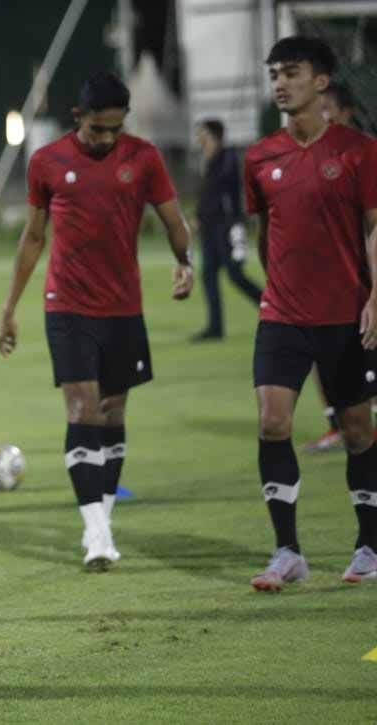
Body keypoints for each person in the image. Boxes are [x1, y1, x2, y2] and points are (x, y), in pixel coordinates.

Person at [0, 71, 194, 571]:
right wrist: (10, 306)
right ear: (78, 117)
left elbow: (173, 219)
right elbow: (34, 237)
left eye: (116, 129)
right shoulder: (47, 162)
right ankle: (97, 532)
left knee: (112, 411)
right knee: (81, 407)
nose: (108, 140)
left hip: (123, 307)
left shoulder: (144, 158)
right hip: (67, 304)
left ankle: (102, 517)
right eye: (98, 130)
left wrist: (184, 262)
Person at [241, 37, 377, 591]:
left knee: (356, 429)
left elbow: (375, 228)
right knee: (272, 422)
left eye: (291, 72)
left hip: (347, 314)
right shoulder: (259, 156)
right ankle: (287, 552)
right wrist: (279, 288)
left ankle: (368, 544)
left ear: (320, 82)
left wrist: (375, 296)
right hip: (282, 315)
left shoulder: (359, 151)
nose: (279, 82)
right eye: (274, 72)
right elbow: (263, 238)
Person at [303, 81, 366, 454]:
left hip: (363, 274)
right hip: (325, 276)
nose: (321, 115)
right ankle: (336, 426)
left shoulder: (363, 156)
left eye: (327, 107)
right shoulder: (310, 155)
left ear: (345, 112)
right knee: (321, 355)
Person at [192, 119, 262, 342]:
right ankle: (215, 328)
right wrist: (199, 217)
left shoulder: (227, 158)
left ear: (214, 136)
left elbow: (220, 190)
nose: (198, 139)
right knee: (209, 276)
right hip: (210, 228)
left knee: (235, 275)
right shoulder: (208, 160)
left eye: (202, 134)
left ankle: (275, 311)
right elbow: (207, 195)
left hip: (228, 226)